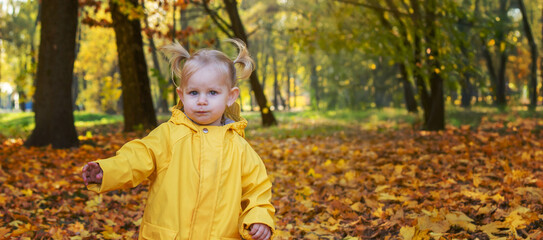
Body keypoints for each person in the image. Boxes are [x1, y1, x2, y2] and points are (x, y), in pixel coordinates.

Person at [82, 39, 275, 240]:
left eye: (212, 92)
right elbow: (136, 157)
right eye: (193, 92)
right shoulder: (168, 135)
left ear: (230, 96)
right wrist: (108, 171)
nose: (202, 100)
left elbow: (257, 189)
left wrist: (259, 217)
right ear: (181, 95)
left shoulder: (239, 148)